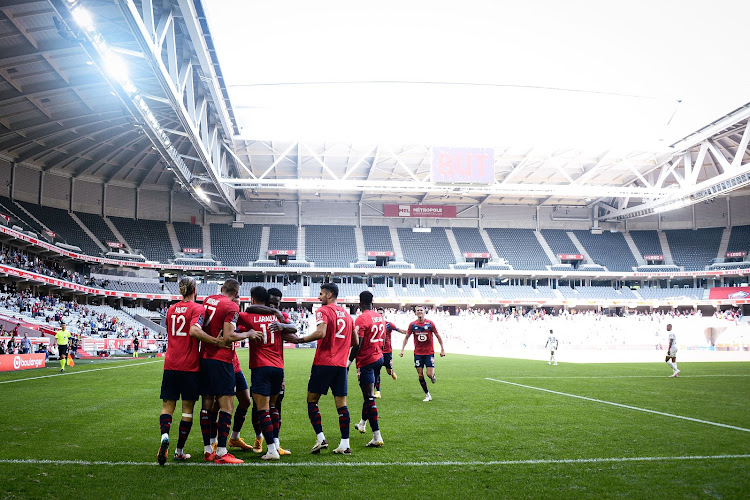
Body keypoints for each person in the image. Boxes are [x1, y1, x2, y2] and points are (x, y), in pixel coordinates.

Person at [157, 277, 229, 465]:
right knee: (187, 410)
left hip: (170, 363)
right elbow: (194, 331)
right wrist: (215, 341)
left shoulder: (171, 309)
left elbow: (169, 330)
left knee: (167, 407)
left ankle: (164, 436)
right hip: (189, 365)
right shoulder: (198, 309)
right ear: (195, 289)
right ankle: (179, 450)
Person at [198, 278, 257, 464]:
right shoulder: (231, 307)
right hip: (222, 360)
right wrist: (248, 334)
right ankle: (222, 452)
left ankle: (209, 449)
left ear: (222, 288)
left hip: (205, 357)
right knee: (227, 406)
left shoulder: (208, 300)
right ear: (237, 293)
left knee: (207, 404)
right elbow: (229, 335)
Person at [236, 286, 299, 460]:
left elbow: (238, 319)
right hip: (278, 367)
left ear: (253, 298)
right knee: (272, 407)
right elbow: (292, 328)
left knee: (261, 409)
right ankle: (273, 445)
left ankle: (271, 449)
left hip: (260, 367)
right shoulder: (277, 317)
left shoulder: (248, 316)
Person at [297, 283, 358, 455]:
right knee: (342, 405)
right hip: (340, 366)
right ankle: (345, 444)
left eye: (321, 294)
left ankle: (320, 438)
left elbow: (321, 333)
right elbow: (355, 342)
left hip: (323, 362)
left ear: (329, 295)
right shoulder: (347, 315)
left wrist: (300, 340)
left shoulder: (323, 311)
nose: (318, 297)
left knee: (312, 400)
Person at [351, 292, 385, 447]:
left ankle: (377, 436)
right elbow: (383, 340)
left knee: (369, 398)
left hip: (367, 361)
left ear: (360, 302)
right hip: (379, 358)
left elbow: (358, 344)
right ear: (372, 301)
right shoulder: (380, 317)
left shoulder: (361, 318)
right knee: (369, 395)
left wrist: (349, 361)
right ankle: (362, 424)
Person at [399, 306, 445, 402]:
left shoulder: (430, 323)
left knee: (429, 374)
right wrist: (402, 349)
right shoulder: (412, 325)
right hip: (418, 354)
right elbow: (406, 337)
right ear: (415, 313)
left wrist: (442, 349)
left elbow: (438, 336)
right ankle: (427, 394)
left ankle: (433, 376)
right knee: (420, 375)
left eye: (421, 310)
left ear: (425, 312)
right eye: (418, 310)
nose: (419, 312)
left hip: (429, 353)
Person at [376, 307, 405, 398]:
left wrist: (410, 332)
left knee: (388, 371)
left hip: (387, 352)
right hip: (378, 351)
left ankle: (392, 372)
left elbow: (399, 330)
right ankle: (378, 392)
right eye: (378, 313)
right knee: (377, 371)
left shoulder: (389, 324)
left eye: (381, 313)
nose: (380, 315)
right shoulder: (374, 325)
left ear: (384, 314)